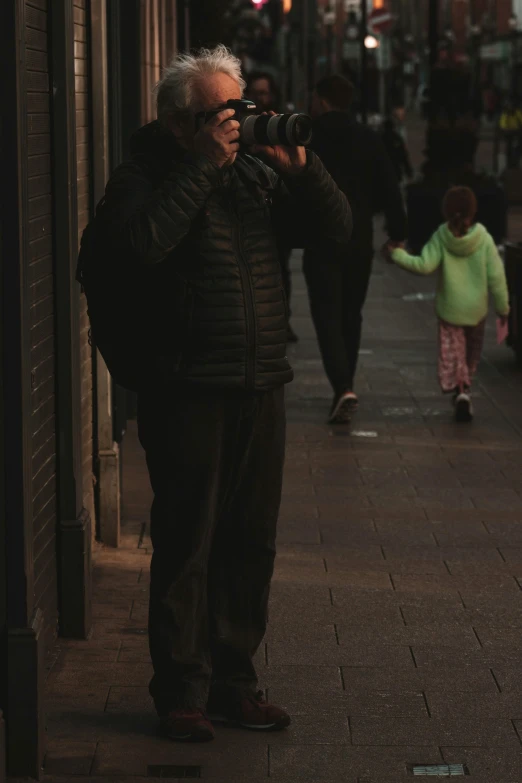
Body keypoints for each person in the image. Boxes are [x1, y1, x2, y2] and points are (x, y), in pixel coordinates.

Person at [101, 45, 351, 742]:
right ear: (185, 123)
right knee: (188, 543)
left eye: (241, 109)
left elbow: (339, 234)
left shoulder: (255, 176)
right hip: (187, 385)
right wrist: (201, 169)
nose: (239, 125)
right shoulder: (146, 172)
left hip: (260, 379)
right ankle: (182, 690)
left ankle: (235, 683)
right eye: (223, 114)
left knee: (251, 542)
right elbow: (140, 246)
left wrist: (305, 175)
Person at [304, 74, 407, 423]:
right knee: (351, 312)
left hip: (320, 238)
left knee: (326, 312)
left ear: (322, 100)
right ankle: (345, 383)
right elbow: (390, 185)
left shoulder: (310, 135)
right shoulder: (368, 138)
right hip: (359, 237)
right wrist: (397, 232)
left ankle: (342, 384)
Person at [387, 186, 509, 422]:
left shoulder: (441, 236)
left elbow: (424, 265)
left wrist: (397, 254)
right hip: (477, 310)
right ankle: (465, 387)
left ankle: (460, 390)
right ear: (472, 213)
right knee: (471, 354)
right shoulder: (483, 238)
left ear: (446, 212)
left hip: (450, 309)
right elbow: (497, 277)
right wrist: (503, 308)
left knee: (454, 353)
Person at [245, 71, 298, 341]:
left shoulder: (278, 124)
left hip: (277, 208)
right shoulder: (239, 123)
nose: (260, 98)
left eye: (264, 93)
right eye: (255, 92)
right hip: (248, 209)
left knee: (280, 269)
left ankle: (282, 321)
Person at [381, 116, 413, 184]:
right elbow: (403, 155)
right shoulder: (396, 137)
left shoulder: (381, 138)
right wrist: (408, 171)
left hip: (385, 169)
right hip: (395, 168)